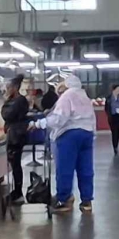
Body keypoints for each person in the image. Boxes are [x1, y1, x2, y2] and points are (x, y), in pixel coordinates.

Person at [33, 72, 95, 213]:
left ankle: (64, 199)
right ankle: (86, 201)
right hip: (87, 134)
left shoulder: (67, 96)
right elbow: (92, 118)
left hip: (69, 135)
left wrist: (39, 123)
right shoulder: (84, 96)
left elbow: (59, 119)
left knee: (65, 169)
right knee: (86, 169)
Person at [0, 74, 30, 202]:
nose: (7, 89)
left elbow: (7, 115)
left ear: (15, 87)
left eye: (9, 87)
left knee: (15, 164)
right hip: (16, 134)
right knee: (15, 164)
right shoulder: (20, 100)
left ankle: (18, 193)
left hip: (16, 136)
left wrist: (5, 101)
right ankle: (17, 192)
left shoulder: (18, 101)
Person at [104, 83, 119, 155]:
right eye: (118, 89)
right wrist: (109, 115)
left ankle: (116, 145)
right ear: (114, 90)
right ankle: (115, 146)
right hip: (112, 117)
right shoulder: (109, 98)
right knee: (114, 132)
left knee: (117, 131)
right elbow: (106, 108)